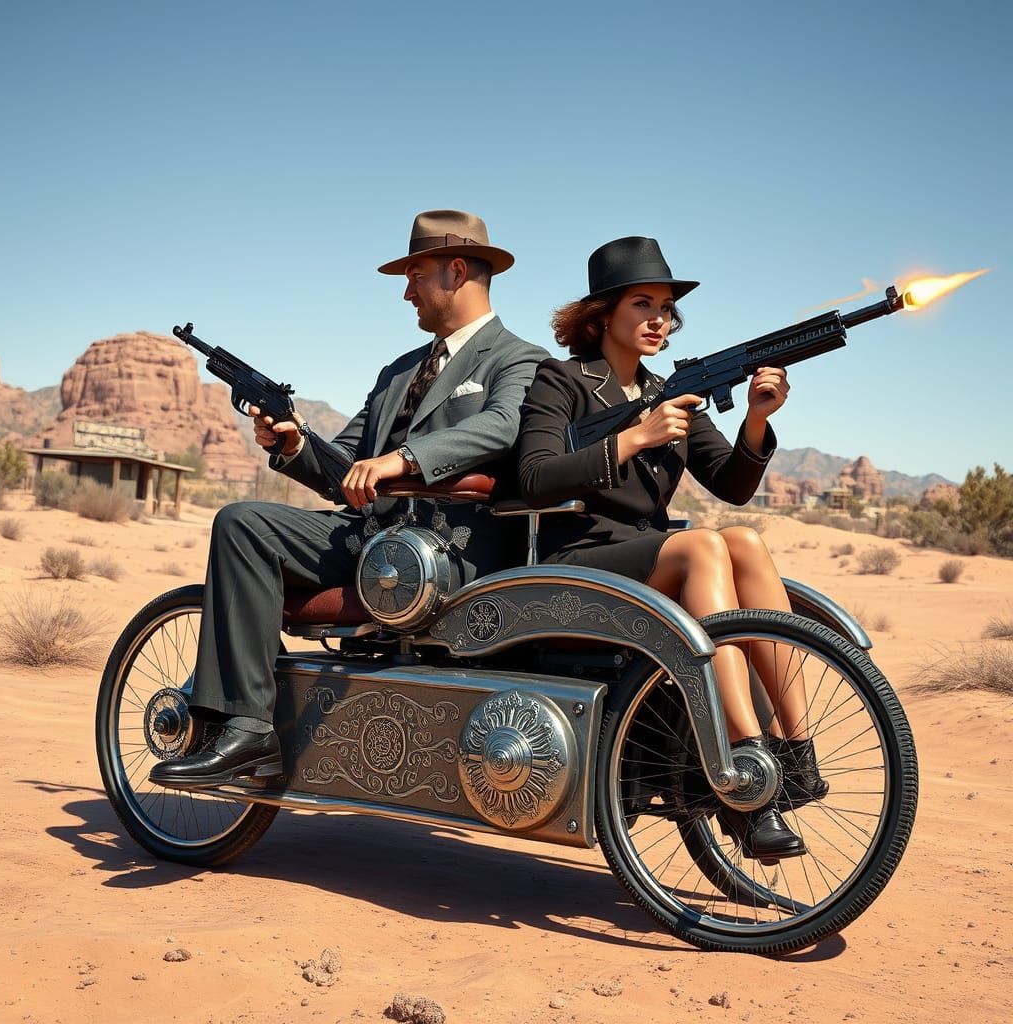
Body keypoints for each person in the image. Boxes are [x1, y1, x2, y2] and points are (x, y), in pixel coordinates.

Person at [151, 210, 548, 789]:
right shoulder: (397, 372)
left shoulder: (518, 358)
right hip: (372, 541)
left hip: (446, 552)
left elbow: (502, 426)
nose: (406, 292)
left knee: (246, 524)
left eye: (414, 275)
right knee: (243, 524)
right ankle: (245, 726)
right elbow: (342, 467)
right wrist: (293, 444)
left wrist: (404, 460)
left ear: (456, 270)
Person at [517, 236, 827, 862]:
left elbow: (734, 486)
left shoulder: (673, 387)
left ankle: (795, 749)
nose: (659, 318)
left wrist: (759, 421)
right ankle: (742, 765)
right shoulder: (562, 381)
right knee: (702, 548)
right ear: (603, 315)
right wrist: (634, 439)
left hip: (650, 562)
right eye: (642, 303)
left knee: (739, 539)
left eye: (666, 306)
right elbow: (533, 477)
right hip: (575, 562)